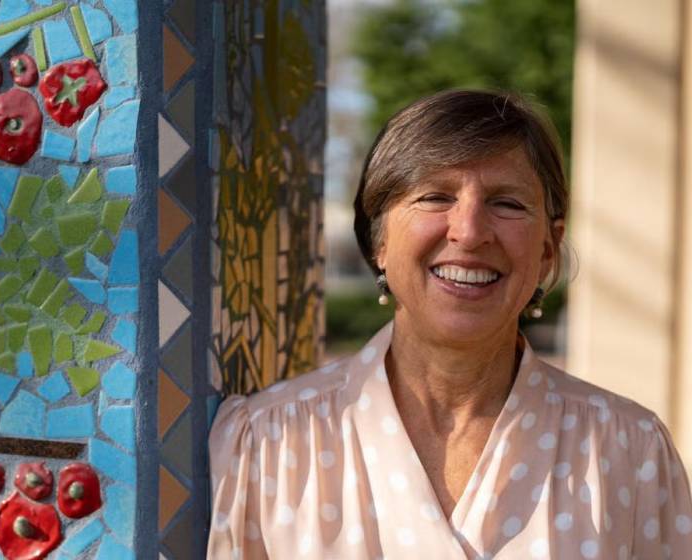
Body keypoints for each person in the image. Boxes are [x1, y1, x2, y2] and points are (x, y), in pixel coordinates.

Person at [206, 89, 692, 559]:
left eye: (508, 203)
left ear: (547, 249)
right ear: (379, 239)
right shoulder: (270, 443)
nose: (470, 231)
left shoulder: (629, 451)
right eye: (435, 197)